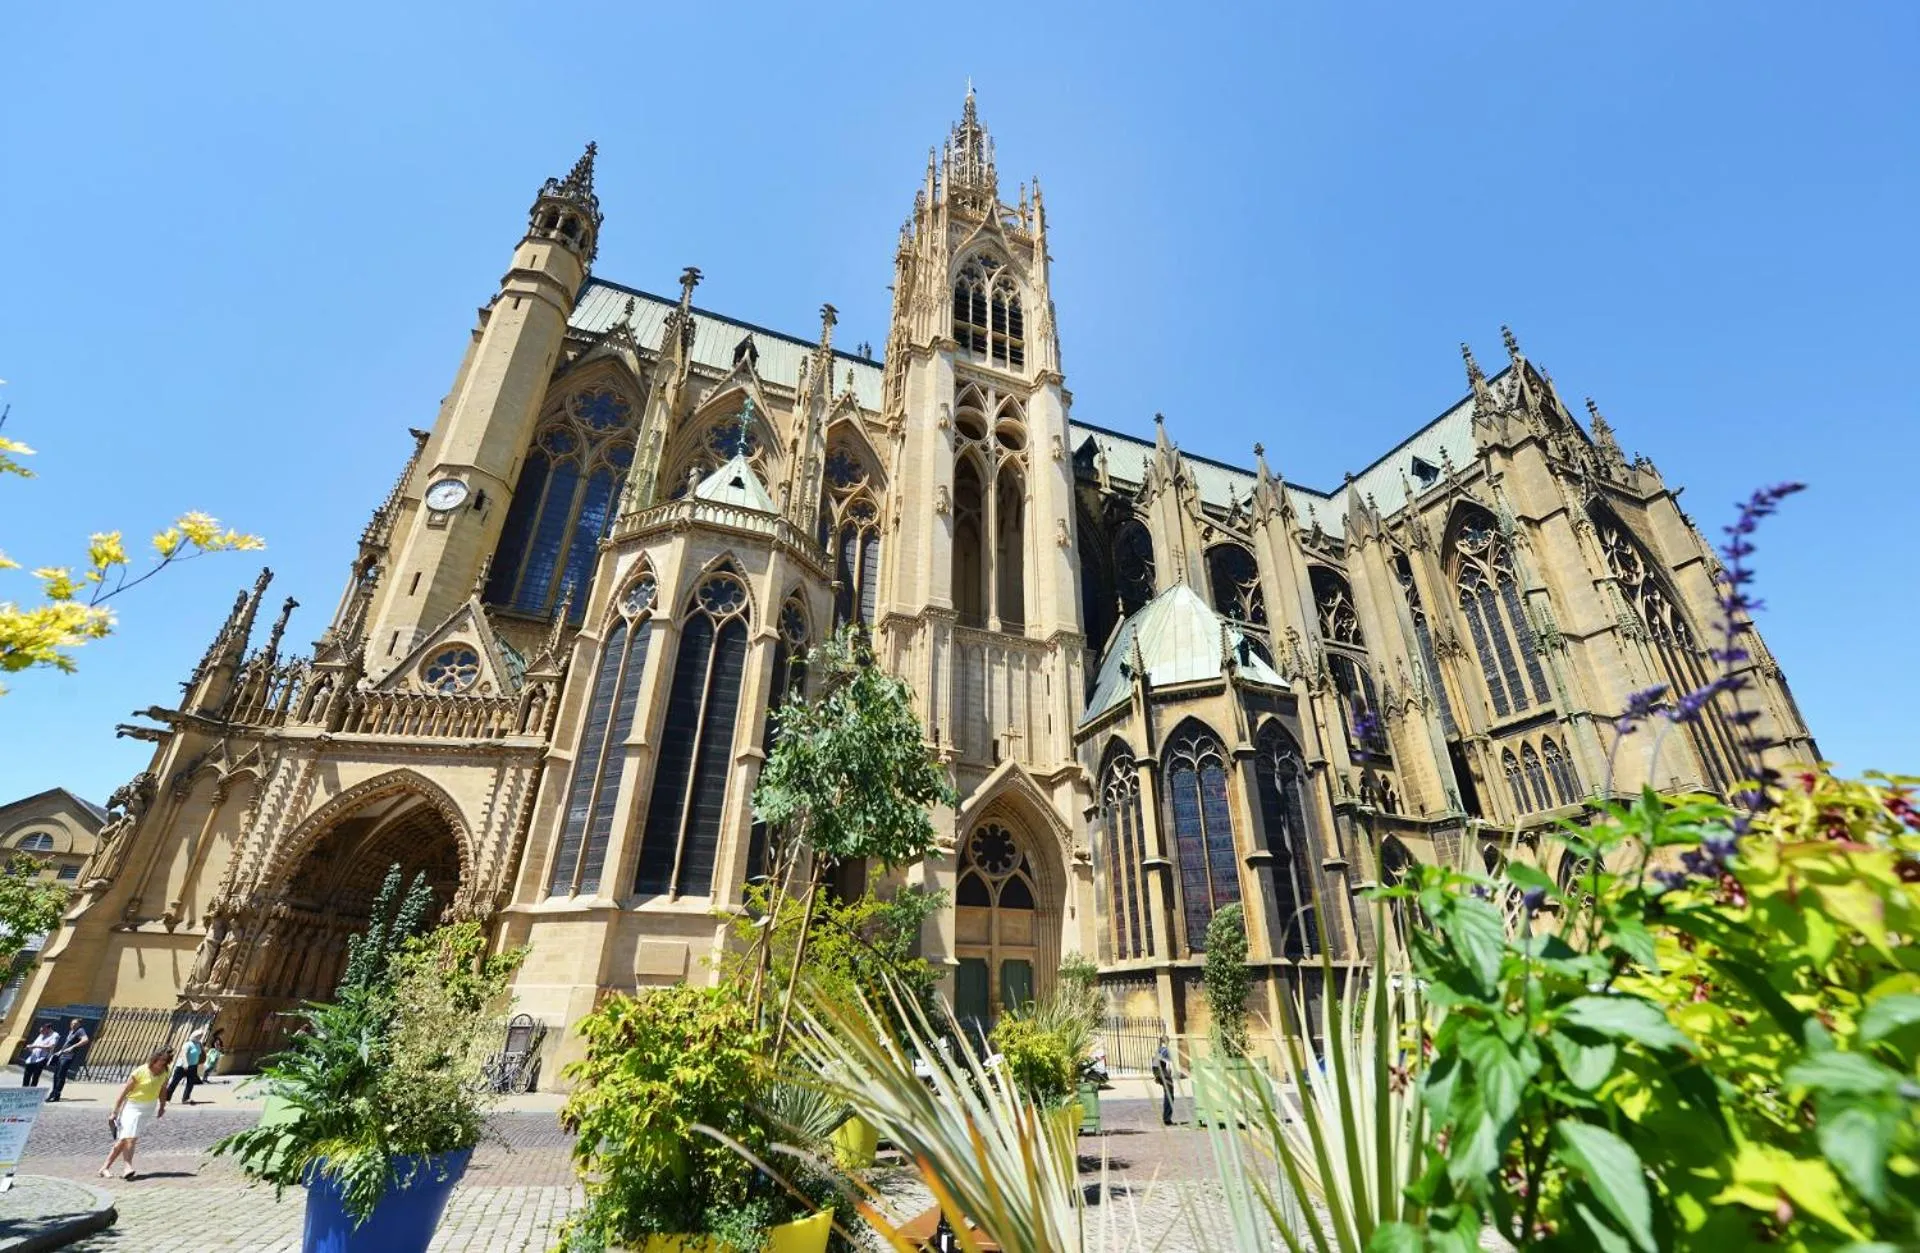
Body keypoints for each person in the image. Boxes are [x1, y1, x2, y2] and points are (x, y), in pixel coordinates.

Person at [100, 1048, 171, 1181]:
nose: (162, 1064)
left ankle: (105, 1167)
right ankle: (127, 1167)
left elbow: (163, 1090)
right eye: (160, 1061)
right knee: (130, 1138)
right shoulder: (140, 1071)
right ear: (154, 1059)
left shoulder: (165, 1071)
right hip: (132, 1107)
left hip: (148, 1108)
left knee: (124, 1139)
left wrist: (162, 1106)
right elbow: (124, 1092)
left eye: (165, 1061)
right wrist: (114, 1112)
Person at [46, 1018, 90, 1102]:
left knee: (60, 1075)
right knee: (56, 1075)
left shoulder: (80, 1030)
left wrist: (72, 1047)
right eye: (72, 1023)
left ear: (79, 1025)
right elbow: (67, 1044)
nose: (73, 1025)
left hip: (68, 1056)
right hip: (62, 1055)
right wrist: (59, 1052)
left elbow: (85, 1040)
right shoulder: (71, 1032)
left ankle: (55, 1094)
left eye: (75, 1024)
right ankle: (55, 1094)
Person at [164, 1028, 206, 1105]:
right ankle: (166, 1099)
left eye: (201, 1036)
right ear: (194, 1036)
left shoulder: (198, 1044)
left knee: (190, 1083)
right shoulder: (188, 1044)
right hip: (182, 1067)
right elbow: (183, 1054)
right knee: (174, 1082)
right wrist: (186, 1064)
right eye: (199, 1036)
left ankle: (185, 1098)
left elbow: (200, 1054)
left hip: (193, 1066)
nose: (200, 1037)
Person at [1152, 1034, 1179, 1126]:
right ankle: (1167, 1118)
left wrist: (1156, 1076)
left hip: (1159, 1073)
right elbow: (1168, 1064)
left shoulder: (1158, 1050)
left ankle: (1166, 1117)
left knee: (1166, 1094)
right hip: (1165, 1074)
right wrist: (1170, 1075)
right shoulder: (1167, 1051)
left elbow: (1154, 1064)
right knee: (1169, 1096)